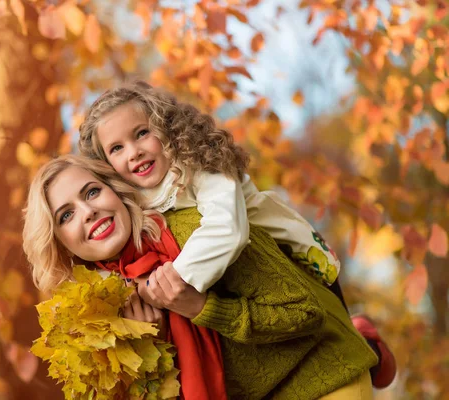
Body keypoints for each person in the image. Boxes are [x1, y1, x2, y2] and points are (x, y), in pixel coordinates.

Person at [78, 81, 396, 388]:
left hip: (279, 250)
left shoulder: (197, 163)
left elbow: (226, 228)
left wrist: (172, 280)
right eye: (117, 148)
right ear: (105, 164)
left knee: (327, 297)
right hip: (231, 283)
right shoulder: (130, 197)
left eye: (142, 133)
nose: (133, 152)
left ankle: (363, 337)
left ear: (167, 128)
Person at [22, 154, 378, 399]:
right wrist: (152, 344)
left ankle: (363, 339)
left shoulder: (197, 230)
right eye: (66, 216)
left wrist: (201, 306)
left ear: (116, 190)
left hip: (325, 374)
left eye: (92, 192)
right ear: (62, 245)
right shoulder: (100, 316)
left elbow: (306, 312)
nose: (88, 211)